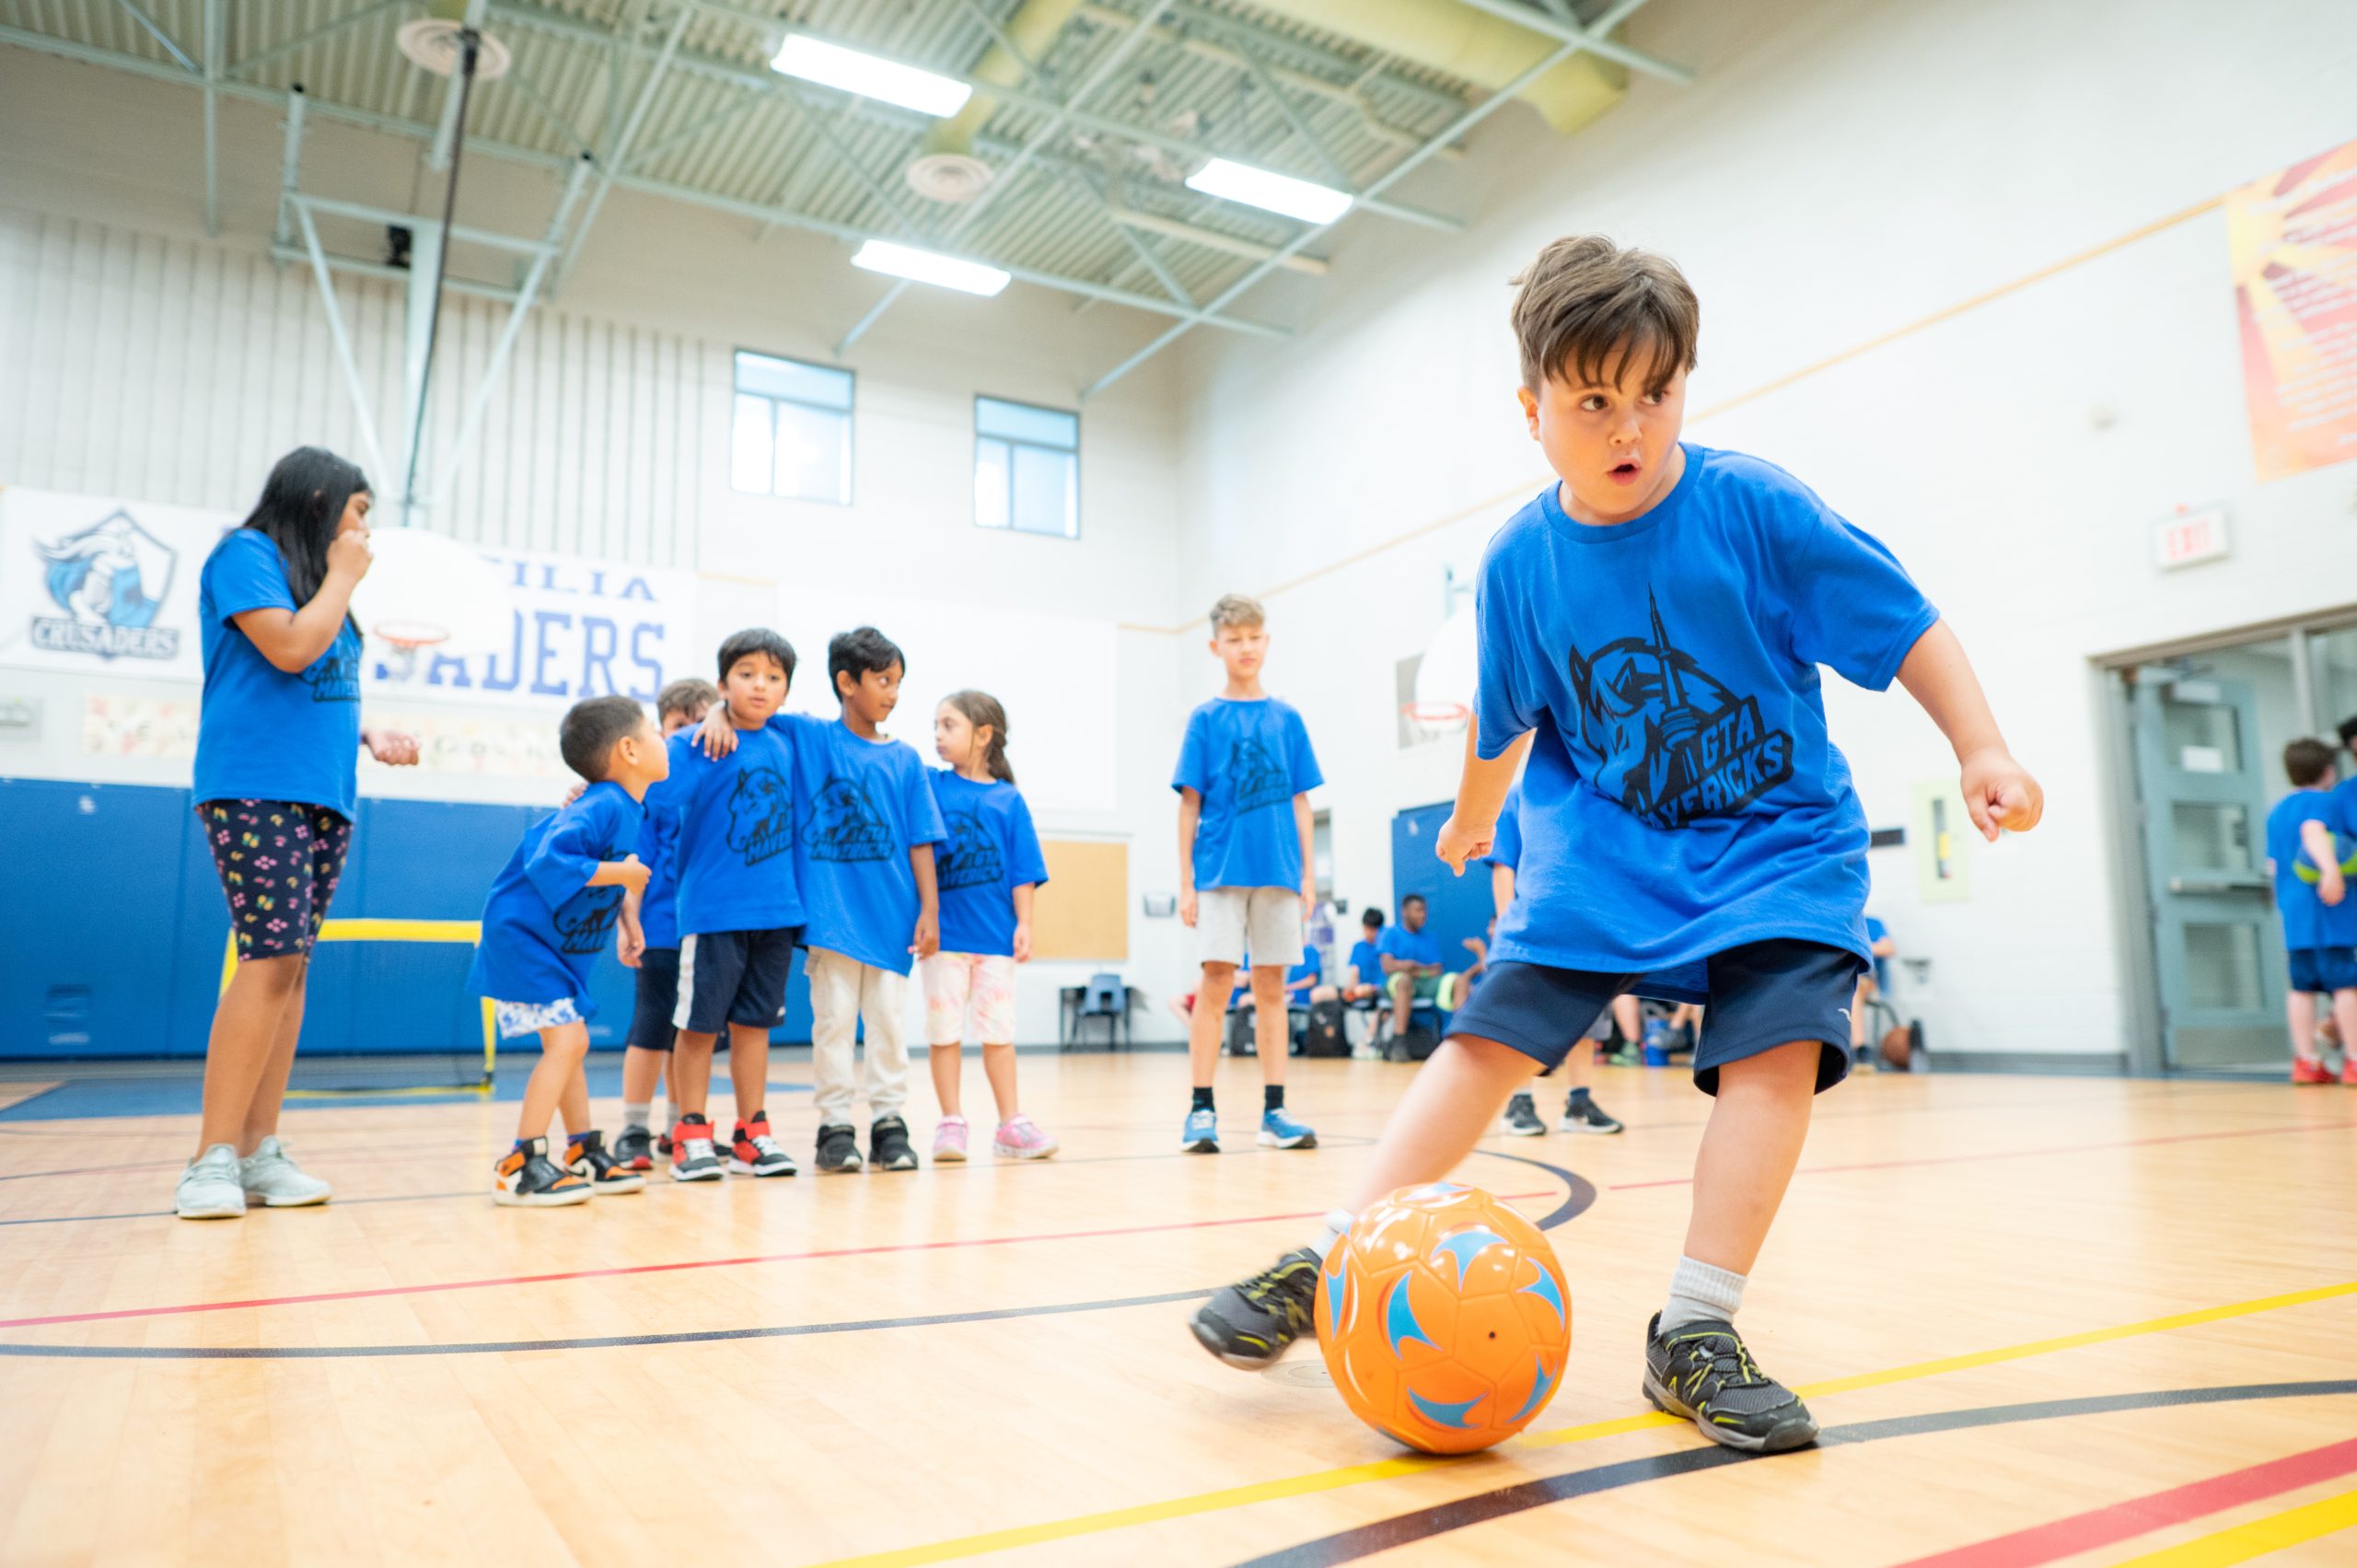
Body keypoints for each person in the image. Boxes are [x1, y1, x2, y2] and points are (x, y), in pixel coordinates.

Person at [1188, 235, 2042, 1456]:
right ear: (1533, 409)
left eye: (1658, 391)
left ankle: (1696, 1326)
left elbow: (1906, 623)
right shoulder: (1520, 560)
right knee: (1485, 1037)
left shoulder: (1753, 505)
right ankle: (1331, 1258)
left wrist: (1984, 748)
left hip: (1776, 840)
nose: (1630, 424)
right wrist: (1477, 813)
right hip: (1605, 850)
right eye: (1595, 399)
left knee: (1777, 1050)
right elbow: (1507, 709)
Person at [178, 447, 421, 1221]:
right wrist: (345, 576)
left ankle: (257, 1150)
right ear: (318, 500)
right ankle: (211, 1157)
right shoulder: (245, 554)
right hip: (256, 787)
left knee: (291, 967)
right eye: (357, 511)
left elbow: (307, 681)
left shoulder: (323, 590)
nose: (364, 531)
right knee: (270, 956)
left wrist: (366, 731)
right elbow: (285, 646)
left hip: (323, 795)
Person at [702, 627, 946, 1173]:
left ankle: (890, 1123)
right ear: (846, 682)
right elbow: (749, 712)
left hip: (892, 919)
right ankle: (835, 1127)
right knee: (833, 1023)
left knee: (887, 1024)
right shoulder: (810, 738)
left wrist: (930, 909)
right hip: (832, 920)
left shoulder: (906, 760)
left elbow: (922, 839)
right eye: (883, 681)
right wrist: (718, 713)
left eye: (898, 682)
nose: (893, 693)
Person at [469, 696, 664, 1206]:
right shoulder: (600, 803)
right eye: (655, 731)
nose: (663, 739)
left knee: (570, 1044)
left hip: (552, 951)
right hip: (524, 942)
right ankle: (521, 1164)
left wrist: (626, 914)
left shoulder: (625, 806)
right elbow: (550, 860)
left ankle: (581, 1150)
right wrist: (622, 874)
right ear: (629, 749)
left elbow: (599, 872)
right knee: (569, 1043)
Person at [651, 630, 805, 1182]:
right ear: (723, 683)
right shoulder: (696, 743)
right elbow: (652, 793)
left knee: (754, 1026)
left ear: (786, 689)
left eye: (773, 677)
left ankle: (751, 1132)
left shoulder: (789, 741)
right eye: (745, 674)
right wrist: (711, 716)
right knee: (697, 1025)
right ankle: (691, 1131)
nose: (759, 686)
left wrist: (720, 709)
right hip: (714, 911)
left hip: (777, 912)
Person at [1175, 593, 1325, 1154]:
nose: (1245, 647)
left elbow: (1302, 801)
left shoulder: (1287, 719)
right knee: (1215, 983)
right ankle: (1201, 1109)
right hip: (1218, 871)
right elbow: (1188, 805)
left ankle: (1274, 1110)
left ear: (1267, 642)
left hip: (1280, 873)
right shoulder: (1205, 719)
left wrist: (1309, 877)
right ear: (1217, 646)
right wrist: (1187, 882)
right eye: (1234, 638)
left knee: (1271, 988)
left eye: (1254, 637)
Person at [923, 690, 1057, 1161]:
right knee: (944, 1033)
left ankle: (1010, 1124)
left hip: (995, 940)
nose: (938, 735)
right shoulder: (931, 786)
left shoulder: (1008, 800)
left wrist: (1025, 923)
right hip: (945, 941)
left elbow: (1023, 868)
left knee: (999, 1034)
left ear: (984, 735)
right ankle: (951, 1121)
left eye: (949, 725)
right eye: (935, 726)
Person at [610, 677, 717, 1171]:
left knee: (691, 1030)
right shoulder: (655, 791)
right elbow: (637, 857)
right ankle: (633, 1127)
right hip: (659, 925)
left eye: (702, 722)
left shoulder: (721, 782)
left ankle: (682, 1126)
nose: (691, 735)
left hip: (708, 926)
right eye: (679, 726)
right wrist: (627, 914)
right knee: (651, 1024)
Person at [1490, 784, 1625, 1137]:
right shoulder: (1519, 794)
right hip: (1534, 927)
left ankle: (1578, 1104)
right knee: (1525, 1020)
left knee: (1587, 1017)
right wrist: (1508, 925)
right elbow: (1503, 864)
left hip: (1585, 924)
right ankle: (1520, 1102)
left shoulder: (1590, 791)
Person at [2267, 738, 2357, 1085]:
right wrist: (2332, 870)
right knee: (2346, 984)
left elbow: (2274, 863)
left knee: (2301, 987)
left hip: (2295, 914)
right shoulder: (2326, 801)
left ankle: (2306, 1061)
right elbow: (2313, 832)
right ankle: (2353, 1058)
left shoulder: (2277, 810)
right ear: (2329, 771)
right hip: (2330, 910)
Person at [1377, 893, 1446, 1042]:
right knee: (1404, 981)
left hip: (1424, 982)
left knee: (1458, 981)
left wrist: (1415, 970)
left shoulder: (1430, 938)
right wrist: (1407, 966)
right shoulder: (1391, 933)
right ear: (1405, 912)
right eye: (1418, 910)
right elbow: (1387, 967)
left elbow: (1437, 970)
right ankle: (1399, 1040)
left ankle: (1461, 1040)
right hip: (1396, 984)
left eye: (1424, 911)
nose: (1423, 915)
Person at [1849, 915, 1898, 1063]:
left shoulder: (1873, 924)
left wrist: (1856, 946)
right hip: (1840, 979)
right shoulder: (1840, 921)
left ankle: (1860, 1050)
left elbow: (1888, 948)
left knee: (1854, 989)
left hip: (1866, 980)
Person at [1341, 908, 1387, 1004]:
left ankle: (1376, 1018)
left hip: (1382, 991)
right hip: (1362, 991)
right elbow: (1354, 973)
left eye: (1373, 930)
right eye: (1366, 928)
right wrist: (1349, 990)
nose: (1369, 933)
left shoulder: (1386, 948)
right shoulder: (1358, 947)